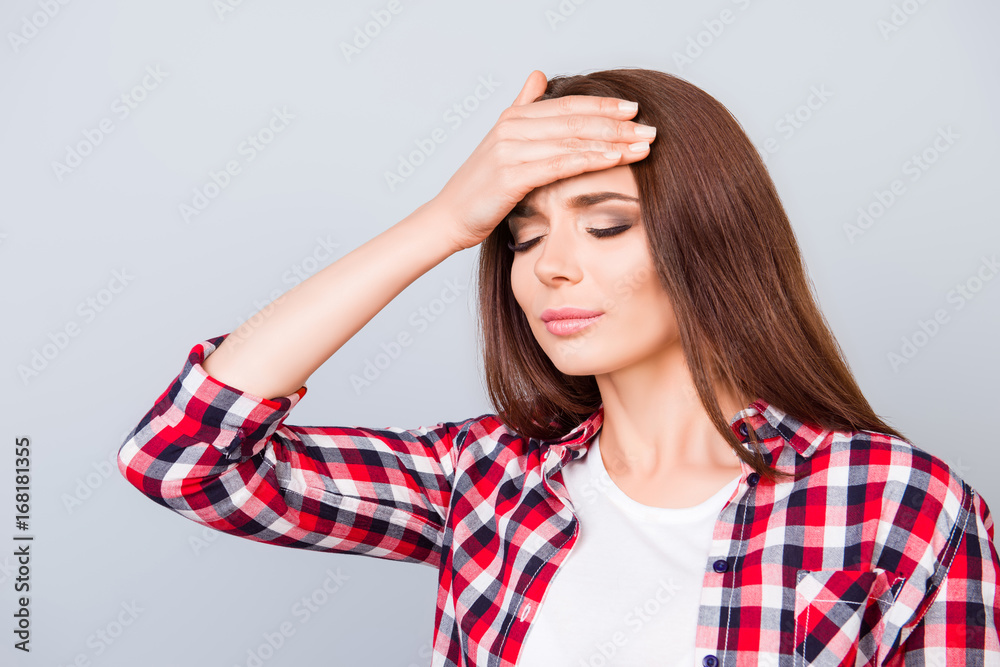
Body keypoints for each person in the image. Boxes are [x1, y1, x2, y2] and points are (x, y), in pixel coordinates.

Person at [117, 68, 999, 666]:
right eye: (522, 234)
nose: (549, 266)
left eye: (605, 222)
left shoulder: (896, 503)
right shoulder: (481, 478)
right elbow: (181, 457)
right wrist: (445, 222)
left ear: (712, 236)